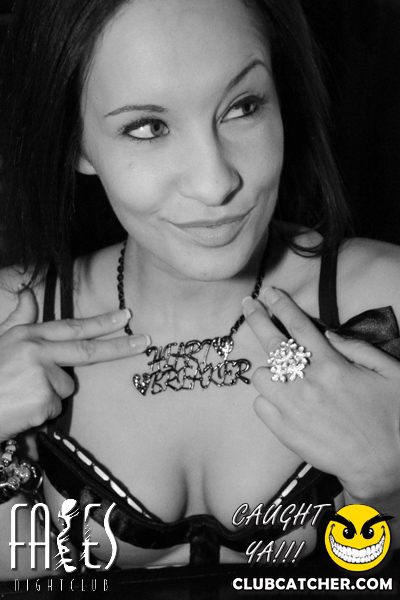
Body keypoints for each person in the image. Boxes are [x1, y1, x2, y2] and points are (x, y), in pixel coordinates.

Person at [0, 0, 399, 578]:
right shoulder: (11, 316)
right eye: (147, 127)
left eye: (243, 107)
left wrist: (389, 484)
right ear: (76, 144)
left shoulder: (384, 299)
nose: (216, 184)